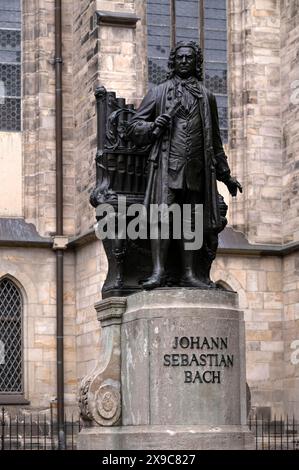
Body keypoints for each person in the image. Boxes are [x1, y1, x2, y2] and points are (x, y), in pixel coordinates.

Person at [127, 41, 242, 290]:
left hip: (196, 170)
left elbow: (215, 142)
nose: (184, 61)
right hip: (166, 168)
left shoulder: (207, 97)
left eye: (189, 58)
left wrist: (226, 175)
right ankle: (158, 272)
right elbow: (133, 127)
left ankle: (190, 274)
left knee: (191, 220)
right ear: (173, 61)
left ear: (196, 62)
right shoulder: (159, 93)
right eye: (180, 57)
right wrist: (154, 125)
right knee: (163, 218)